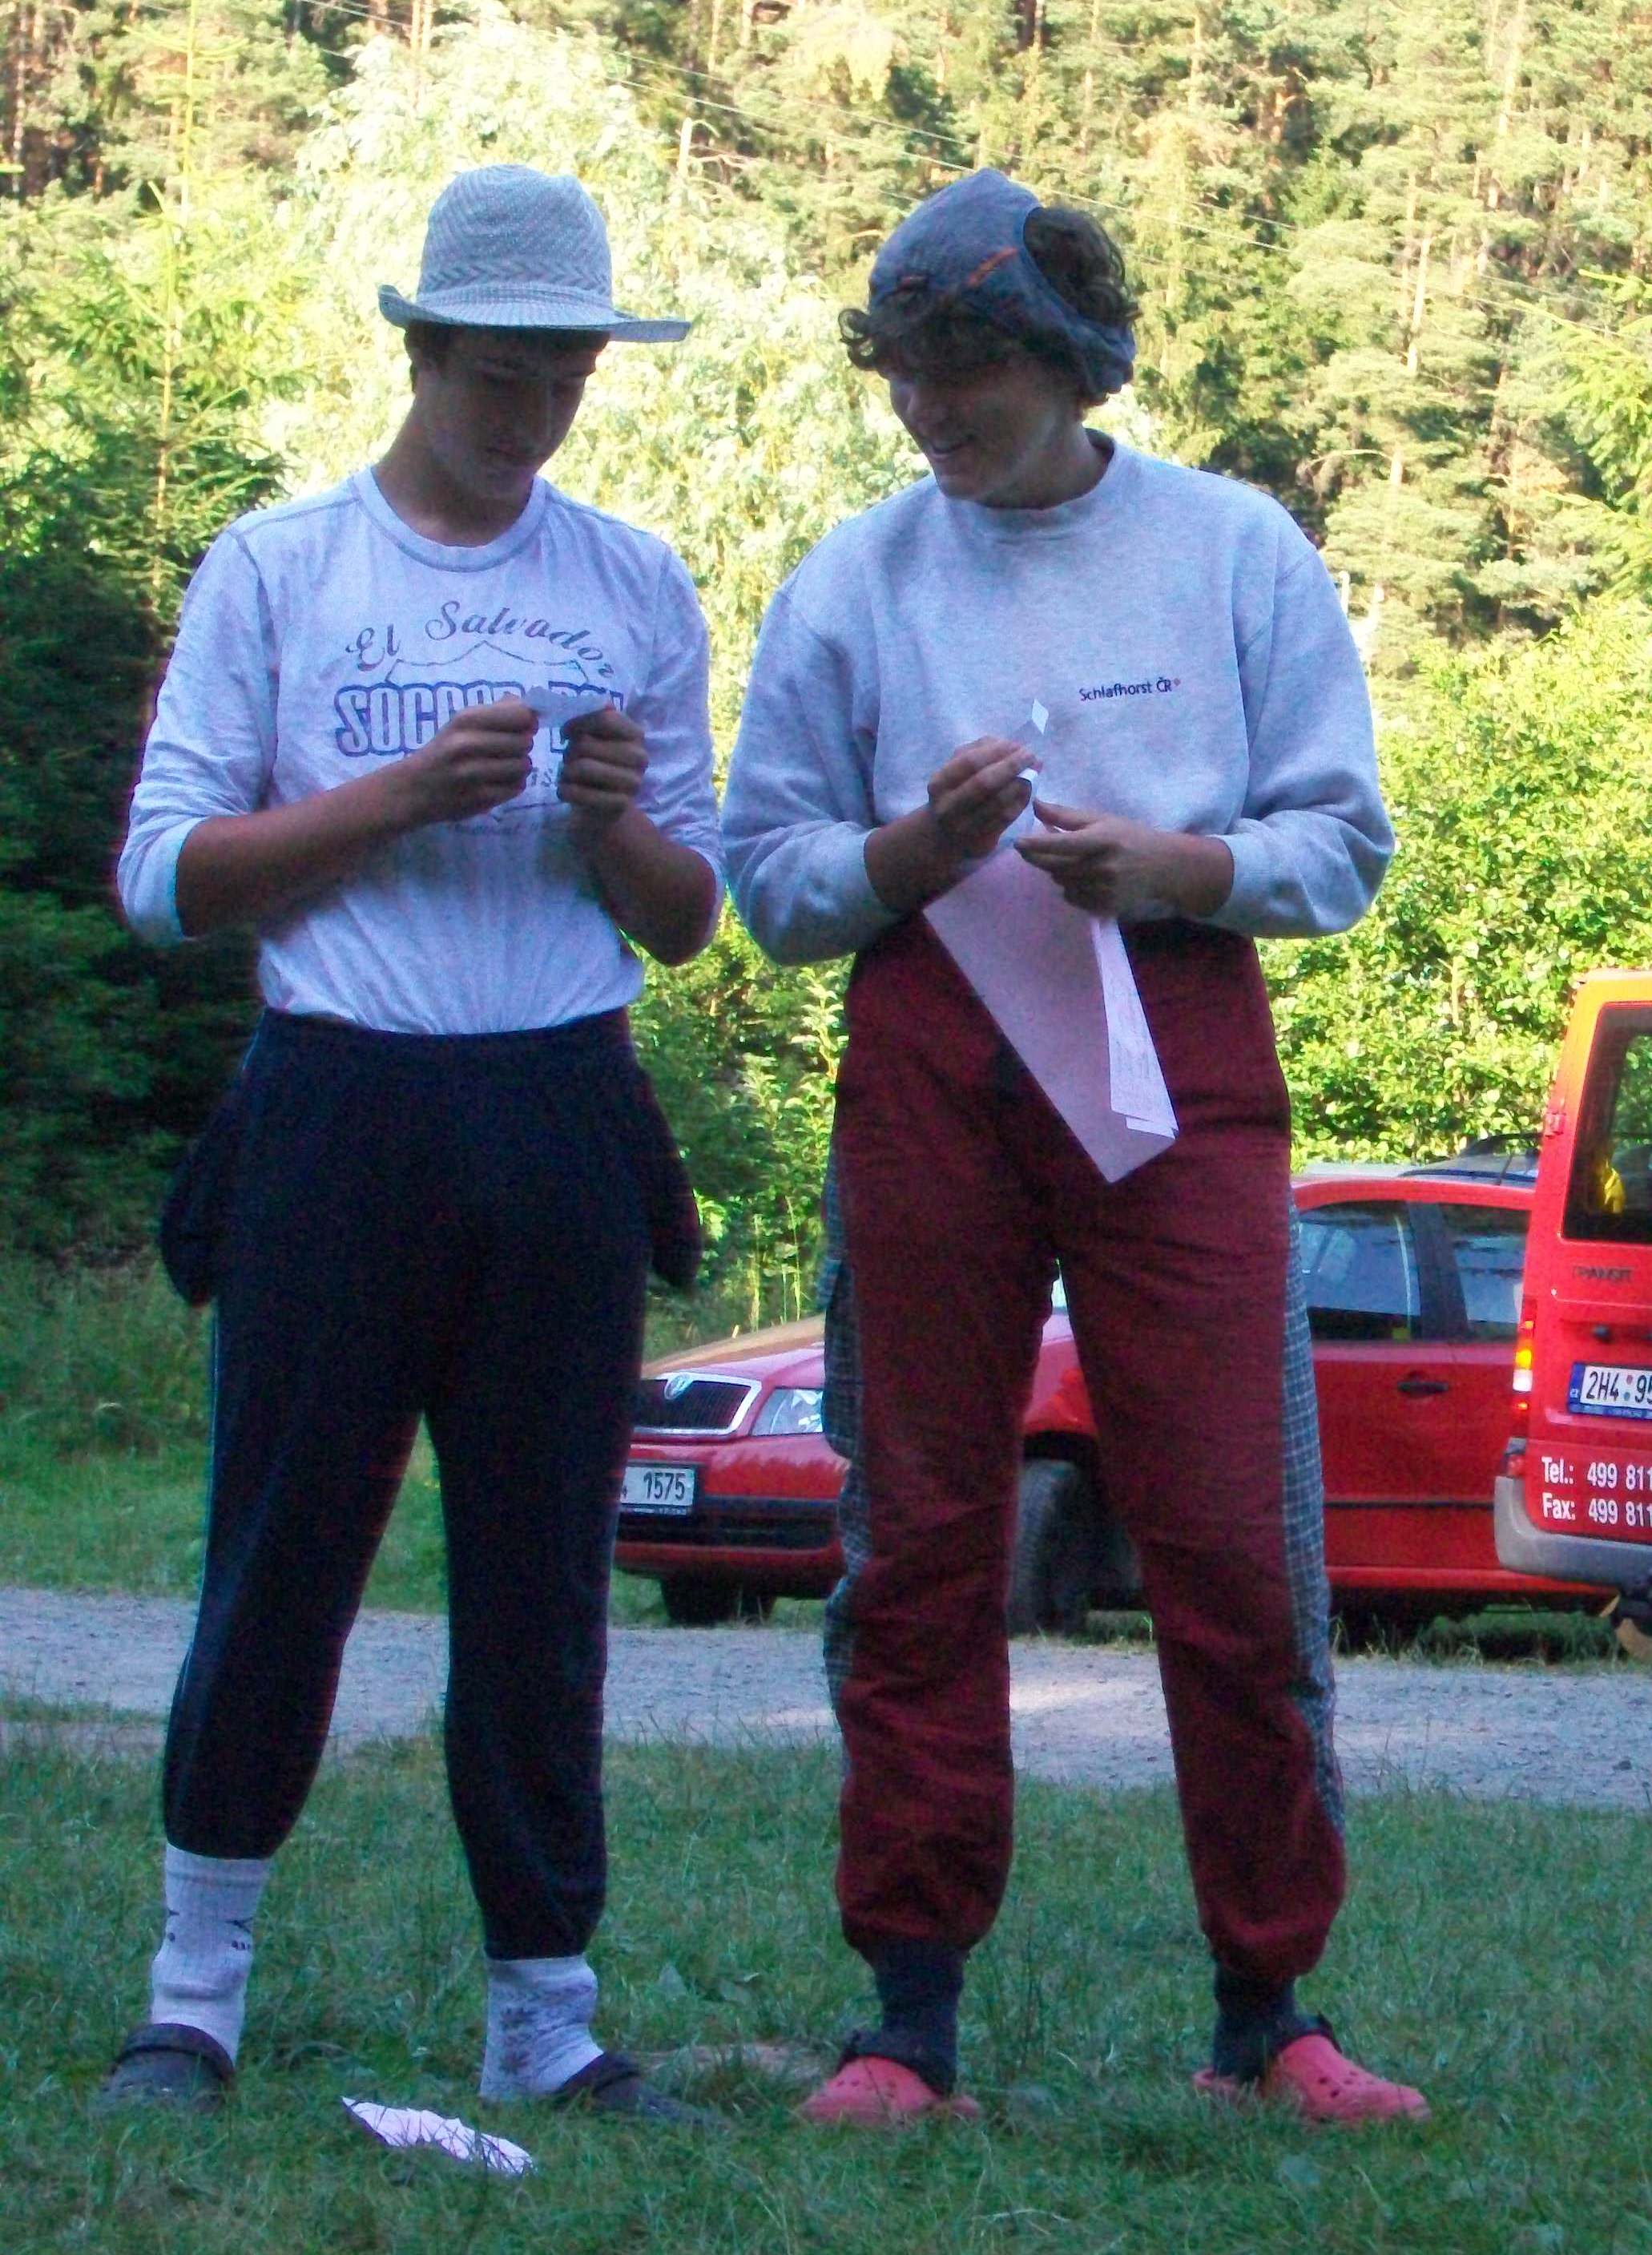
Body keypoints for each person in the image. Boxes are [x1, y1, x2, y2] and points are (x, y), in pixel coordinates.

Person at [723, 168, 1427, 2126]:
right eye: (901, 373)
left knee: (1226, 1532)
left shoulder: (1229, 547)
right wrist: (908, 852)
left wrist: (1180, 867)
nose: (928, 410)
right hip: (928, 1048)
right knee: (920, 1530)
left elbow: (1340, 841)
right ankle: (906, 2023)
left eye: (965, 372)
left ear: (1068, 364)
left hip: (1173, 1041)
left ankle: (1266, 2014)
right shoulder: (855, 579)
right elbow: (767, 877)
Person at [101, 166, 721, 2122]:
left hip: (560, 1104)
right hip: (335, 1098)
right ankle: (192, 2001)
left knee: (540, 1579)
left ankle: (545, 2017)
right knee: (282, 1550)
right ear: (423, 352)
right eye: (498, 372)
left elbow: (686, 916)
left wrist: (612, 823)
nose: (532, 410)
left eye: (565, 375)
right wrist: (392, 796)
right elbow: (162, 881)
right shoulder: (280, 569)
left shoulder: (633, 584)